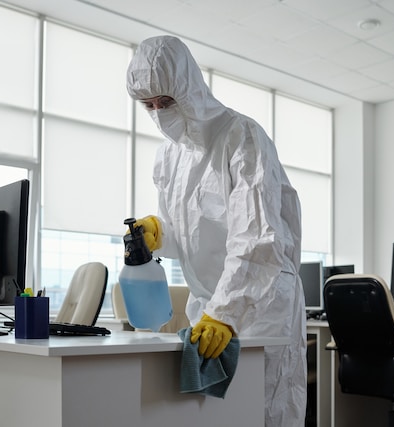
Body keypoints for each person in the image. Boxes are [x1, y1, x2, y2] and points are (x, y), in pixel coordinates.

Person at [126, 35, 306, 426]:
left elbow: (257, 238)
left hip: (261, 303)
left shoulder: (241, 136)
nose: (159, 113)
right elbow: (187, 239)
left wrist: (226, 313)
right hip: (209, 308)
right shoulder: (168, 157)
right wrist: (160, 233)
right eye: (148, 105)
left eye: (166, 102)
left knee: (263, 412)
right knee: (212, 416)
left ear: (189, 87)